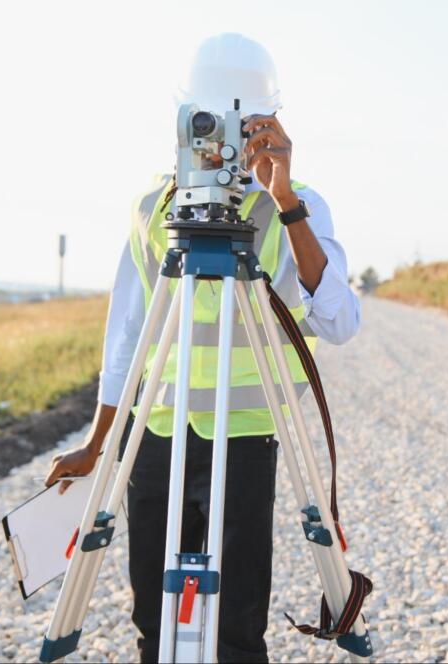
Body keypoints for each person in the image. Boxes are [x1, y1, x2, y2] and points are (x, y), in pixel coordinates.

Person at [45, 33, 360, 663]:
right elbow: (126, 341)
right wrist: (97, 445)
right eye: (206, 121)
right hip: (157, 437)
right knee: (153, 622)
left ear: (267, 123)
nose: (220, 139)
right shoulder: (151, 210)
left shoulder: (295, 207)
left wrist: (285, 199)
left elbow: (340, 322)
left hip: (244, 439)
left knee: (238, 629)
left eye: (239, 123)